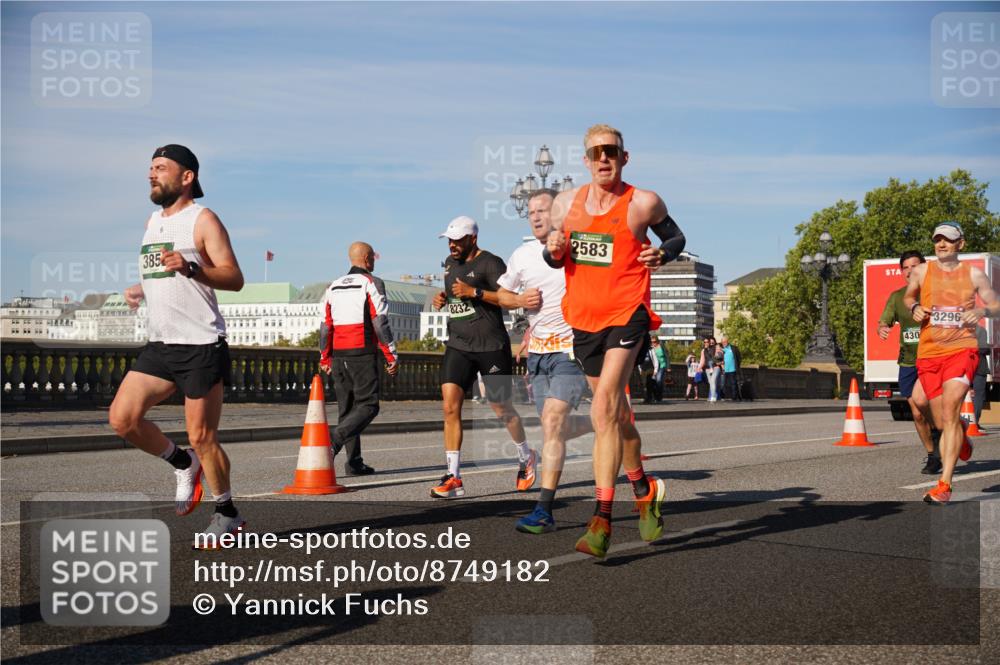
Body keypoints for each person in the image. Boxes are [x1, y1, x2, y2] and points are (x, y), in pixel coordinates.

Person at [544, 123, 685, 557]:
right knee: (618, 417)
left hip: (629, 313)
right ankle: (643, 488)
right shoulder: (565, 204)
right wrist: (554, 249)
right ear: (585, 162)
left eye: (612, 151)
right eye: (596, 153)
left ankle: (601, 520)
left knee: (603, 406)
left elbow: (676, 237)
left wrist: (663, 253)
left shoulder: (643, 202)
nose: (604, 158)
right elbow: (554, 256)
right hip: (584, 320)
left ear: (624, 158)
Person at [109, 144, 246, 546]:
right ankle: (181, 462)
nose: (152, 174)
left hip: (200, 343)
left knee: (203, 436)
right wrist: (142, 287)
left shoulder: (203, 220)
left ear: (187, 177)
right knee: (122, 419)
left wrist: (190, 267)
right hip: (161, 344)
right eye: (150, 168)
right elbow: (165, 279)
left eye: (161, 168)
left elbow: (234, 277)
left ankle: (228, 515)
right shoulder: (153, 222)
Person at [495, 189, 593, 533]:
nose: (536, 216)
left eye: (543, 210)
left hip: (572, 349)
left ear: (559, 214)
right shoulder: (521, 255)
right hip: (538, 353)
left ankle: (544, 509)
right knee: (556, 429)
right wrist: (519, 298)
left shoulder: (576, 248)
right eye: (531, 212)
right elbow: (503, 294)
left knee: (552, 422)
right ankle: (599, 420)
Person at [430, 215, 531, 498]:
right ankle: (454, 476)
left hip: (491, 346)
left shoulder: (491, 263)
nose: (451, 245)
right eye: (449, 240)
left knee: (502, 408)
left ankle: (525, 456)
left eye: (457, 240)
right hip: (458, 344)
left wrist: (474, 292)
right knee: (450, 407)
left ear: (472, 239)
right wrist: (443, 298)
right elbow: (456, 296)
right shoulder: (450, 264)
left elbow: (509, 299)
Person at [903, 222, 1000, 504]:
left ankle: (944, 485)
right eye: (937, 240)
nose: (942, 244)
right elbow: (909, 295)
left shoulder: (974, 275)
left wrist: (981, 310)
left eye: (948, 239)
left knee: (949, 407)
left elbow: (995, 304)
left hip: (961, 350)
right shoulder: (922, 271)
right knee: (940, 417)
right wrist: (914, 307)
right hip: (929, 354)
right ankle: (961, 436)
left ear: (961, 244)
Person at [319, 241, 399, 476]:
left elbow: (325, 327)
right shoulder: (372, 283)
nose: (374, 260)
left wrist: (325, 358)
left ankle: (354, 463)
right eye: (372, 257)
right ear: (367, 259)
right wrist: (391, 355)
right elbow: (379, 321)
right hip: (362, 352)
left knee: (347, 410)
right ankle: (334, 440)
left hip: (338, 355)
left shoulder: (332, 286)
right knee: (368, 406)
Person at [876, 250, 941, 474]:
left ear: (924, 267)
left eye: (915, 265)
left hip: (933, 358)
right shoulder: (897, 297)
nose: (910, 270)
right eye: (905, 267)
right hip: (908, 361)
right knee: (916, 411)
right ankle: (933, 454)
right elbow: (883, 321)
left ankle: (943, 430)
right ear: (901, 271)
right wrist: (883, 328)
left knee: (924, 404)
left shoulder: (935, 292)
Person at [720, 336, 742, 402]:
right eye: (722, 342)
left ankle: (734, 397)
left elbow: (739, 358)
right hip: (724, 370)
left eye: (725, 342)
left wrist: (737, 366)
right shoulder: (721, 349)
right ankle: (722, 397)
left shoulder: (733, 348)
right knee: (723, 384)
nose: (724, 343)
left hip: (733, 369)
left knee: (733, 384)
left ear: (727, 341)